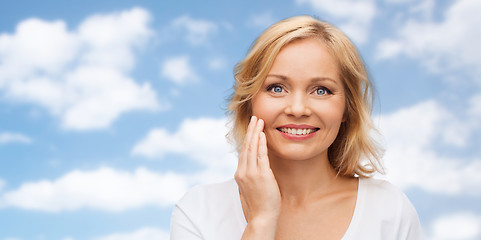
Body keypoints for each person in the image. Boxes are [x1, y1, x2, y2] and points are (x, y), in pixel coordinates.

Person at [170, 15, 423, 240]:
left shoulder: (390, 210)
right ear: (249, 103)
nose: (298, 108)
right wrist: (261, 221)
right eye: (276, 88)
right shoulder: (198, 211)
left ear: (347, 109)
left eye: (321, 90)